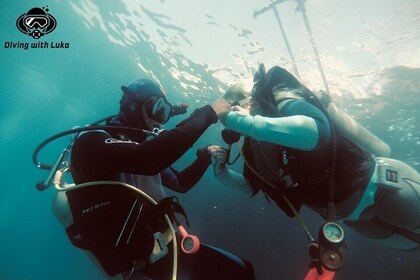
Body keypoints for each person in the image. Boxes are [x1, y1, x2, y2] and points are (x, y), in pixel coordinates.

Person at [52, 78, 255, 280]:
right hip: (139, 268)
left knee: (243, 271)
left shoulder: (138, 147)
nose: (159, 121)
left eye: (165, 113)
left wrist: (204, 157)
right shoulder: (91, 141)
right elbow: (146, 159)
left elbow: (180, 182)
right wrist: (210, 112)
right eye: (158, 109)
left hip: (170, 249)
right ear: (133, 104)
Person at [209, 65, 420, 253]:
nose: (230, 114)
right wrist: (222, 173)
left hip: (386, 188)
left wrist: (242, 122)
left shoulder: (284, 103)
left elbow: (318, 132)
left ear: (250, 100)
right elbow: (250, 187)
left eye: (234, 105)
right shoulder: (252, 146)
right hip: (352, 219)